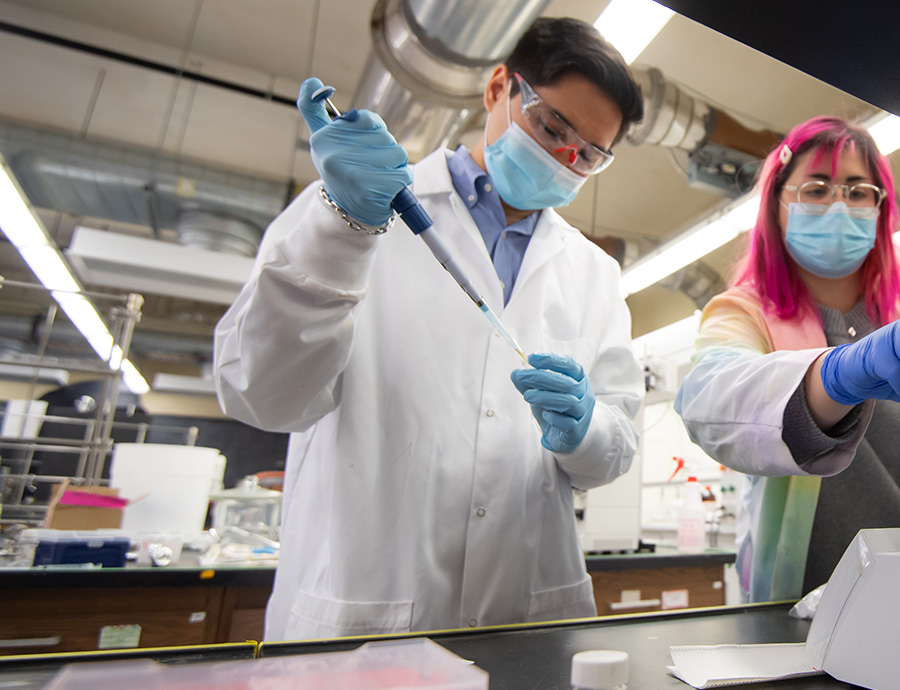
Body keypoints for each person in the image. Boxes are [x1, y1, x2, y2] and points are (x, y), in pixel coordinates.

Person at [214, 17, 645, 640]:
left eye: (589, 154)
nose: (564, 158)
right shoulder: (346, 207)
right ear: (499, 86)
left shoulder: (595, 274)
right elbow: (255, 389)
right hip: (363, 616)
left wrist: (587, 429)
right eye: (553, 126)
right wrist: (343, 232)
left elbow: (613, 449)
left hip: (525, 619)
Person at [674, 116, 900, 603]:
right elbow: (707, 398)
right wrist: (836, 376)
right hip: (806, 593)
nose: (839, 204)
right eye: (816, 189)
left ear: (881, 208)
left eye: (859, 192)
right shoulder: (744, 308)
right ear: (777, 203)